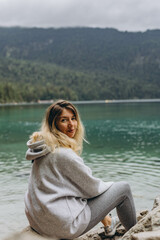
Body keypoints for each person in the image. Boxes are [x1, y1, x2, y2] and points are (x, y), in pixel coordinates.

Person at [24, 100, 137, 239]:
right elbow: (92, 189)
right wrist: (110, 186)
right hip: (61, 227)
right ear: (53, 125)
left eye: (73, 119)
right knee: (123, 189)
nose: (71, 125)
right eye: (64, 120)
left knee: (78, 188)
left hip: (40, 222)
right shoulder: (64, 154)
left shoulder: (42, 149)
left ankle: (108, 223)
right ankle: (137, 234)